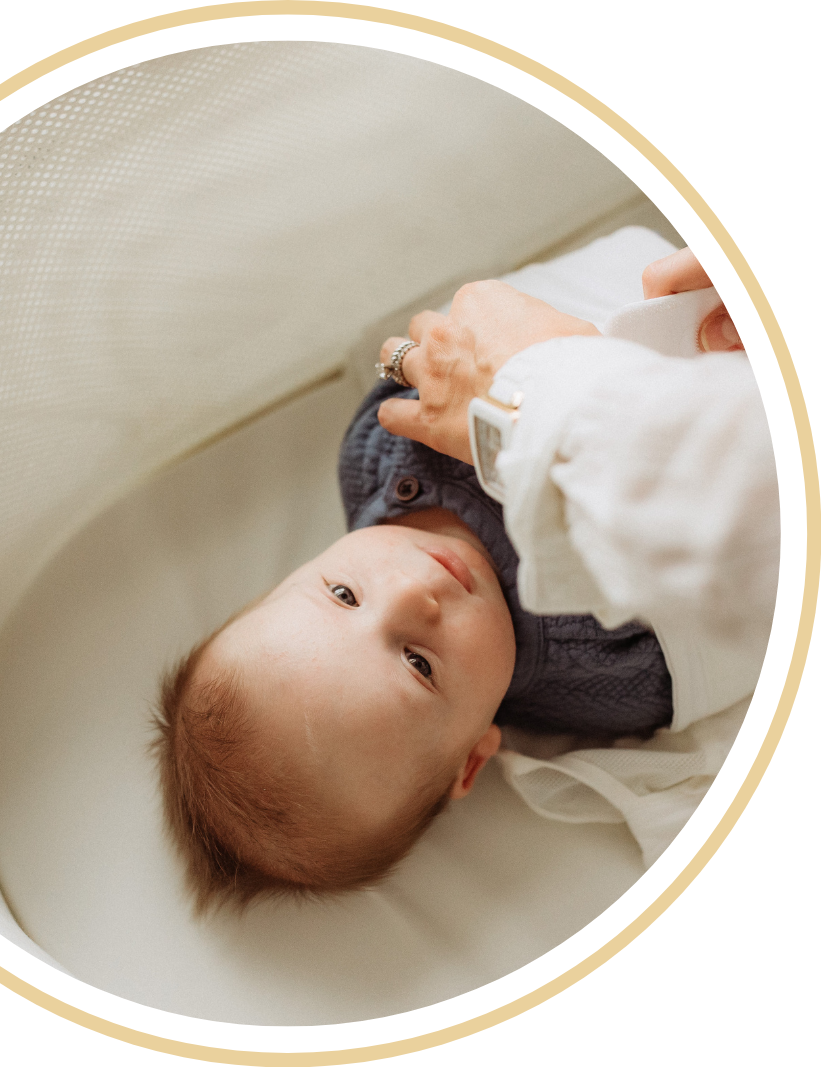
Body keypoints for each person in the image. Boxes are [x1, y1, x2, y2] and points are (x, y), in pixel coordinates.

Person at [153, 245, 777, 912]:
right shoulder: (612, 675)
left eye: (343, 594)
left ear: (289, 578)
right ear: (474, 756)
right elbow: (751, 604)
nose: (411, 594)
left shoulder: (374, 452)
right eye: (418, 664)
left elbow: (458, 336)